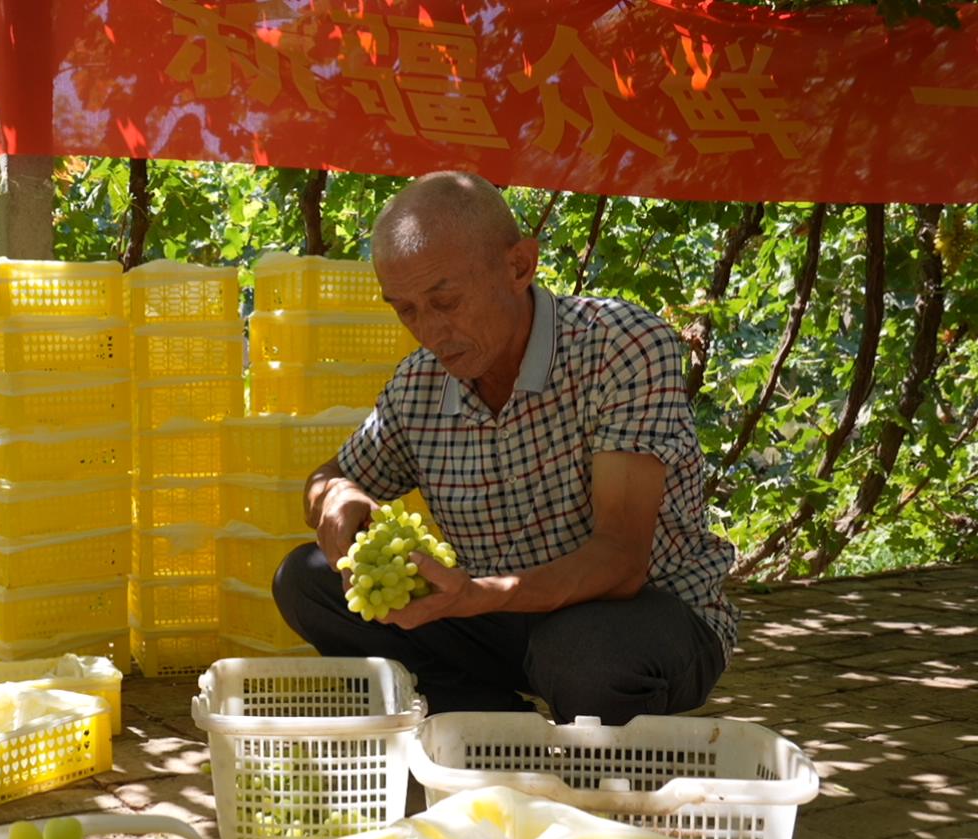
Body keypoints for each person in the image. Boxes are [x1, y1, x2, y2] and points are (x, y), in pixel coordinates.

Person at [273, 172, 735, 725]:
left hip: (636, 617)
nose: (429, 332)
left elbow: (620, 562)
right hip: (493, 614)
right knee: (306, 579)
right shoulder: (419, 386)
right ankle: (478, 725)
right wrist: (338, 498)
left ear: (520, 266)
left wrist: (476, 594)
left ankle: (599, 755)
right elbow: (328, 478)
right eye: (406, 310)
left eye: (446, 301)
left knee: (584, 654)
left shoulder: (621, 347)